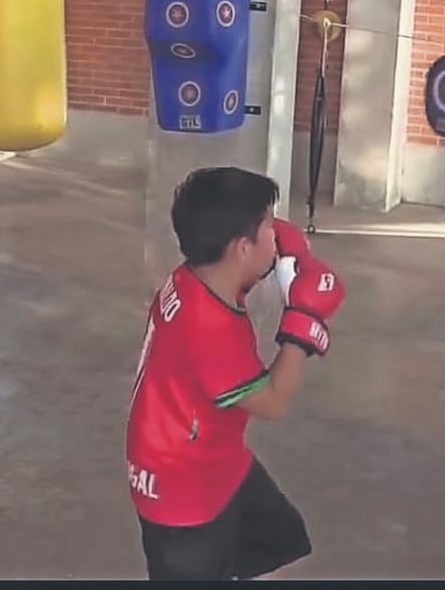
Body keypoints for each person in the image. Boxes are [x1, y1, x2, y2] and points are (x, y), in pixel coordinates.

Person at [125, 166, 346, 580]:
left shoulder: (195, 274)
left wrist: (287, 256)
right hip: (182, 492)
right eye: (267, 228)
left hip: (217, 459)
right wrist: (302, 322)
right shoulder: (211, 332)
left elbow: (252, 254)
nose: (277, 236)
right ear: (242, 247)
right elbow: (274, 402)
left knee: (279, 539)